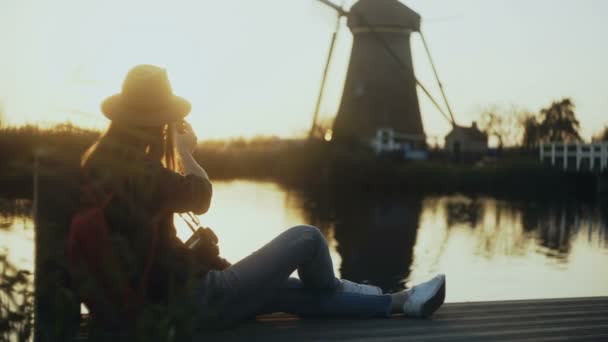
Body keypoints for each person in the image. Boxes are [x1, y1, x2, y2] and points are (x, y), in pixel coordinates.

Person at [77, 64, 446, 332]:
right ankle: (340, 287)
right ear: (157, 121)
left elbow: (151, 255)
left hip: (166, 310)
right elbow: (201, 195)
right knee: (308, 238)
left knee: (284, 292)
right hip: (194, 305)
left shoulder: (99, 166)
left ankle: (401, 302)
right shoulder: (140, 172)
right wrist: (185, 151)